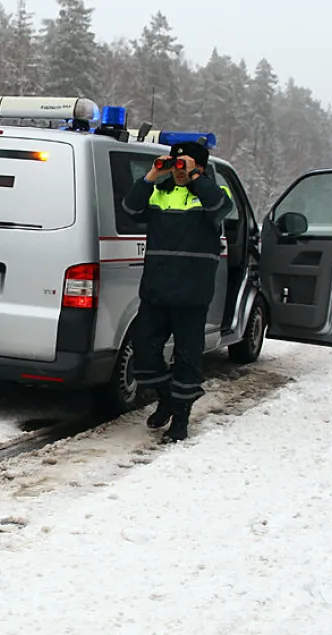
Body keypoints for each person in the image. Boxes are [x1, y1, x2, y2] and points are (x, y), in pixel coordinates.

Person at [121, 141, 233, 443]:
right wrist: (151, 176)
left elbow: (219, 209)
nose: (178, 168)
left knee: (187, 358)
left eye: (184, 162)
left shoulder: (214, 192)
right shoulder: (160, 191)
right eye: (175, 162)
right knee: (143, 352)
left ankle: (180, 419)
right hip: (156, 290)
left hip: (192, 294)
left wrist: (196, 178)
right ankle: (168, 398)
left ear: (199, 165)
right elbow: (130, 208)